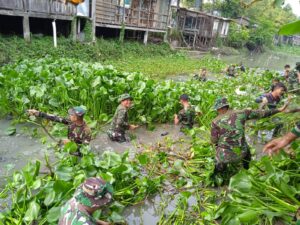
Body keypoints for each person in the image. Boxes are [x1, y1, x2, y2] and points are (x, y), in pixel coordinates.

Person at [211, 97, 288, 172]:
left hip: (225, 156)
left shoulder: (215, 121)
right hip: (242, 153)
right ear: (227, 106)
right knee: (245, 147)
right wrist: (279, 109)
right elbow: (262, 113)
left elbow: (214, 140)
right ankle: (247, 168)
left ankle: (220, 170)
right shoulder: (242, 113)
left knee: (218, 150)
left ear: (219, 109)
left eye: (217, 110)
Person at [27, 107, 91, 146]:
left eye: (71, 115)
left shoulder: (86, 131)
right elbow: (55, 118)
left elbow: (85, 147)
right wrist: (38, 113)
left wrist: (71, 143)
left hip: (78, 154)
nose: (69, 116)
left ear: (75, 117)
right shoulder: (71, 121)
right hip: (69, 148)